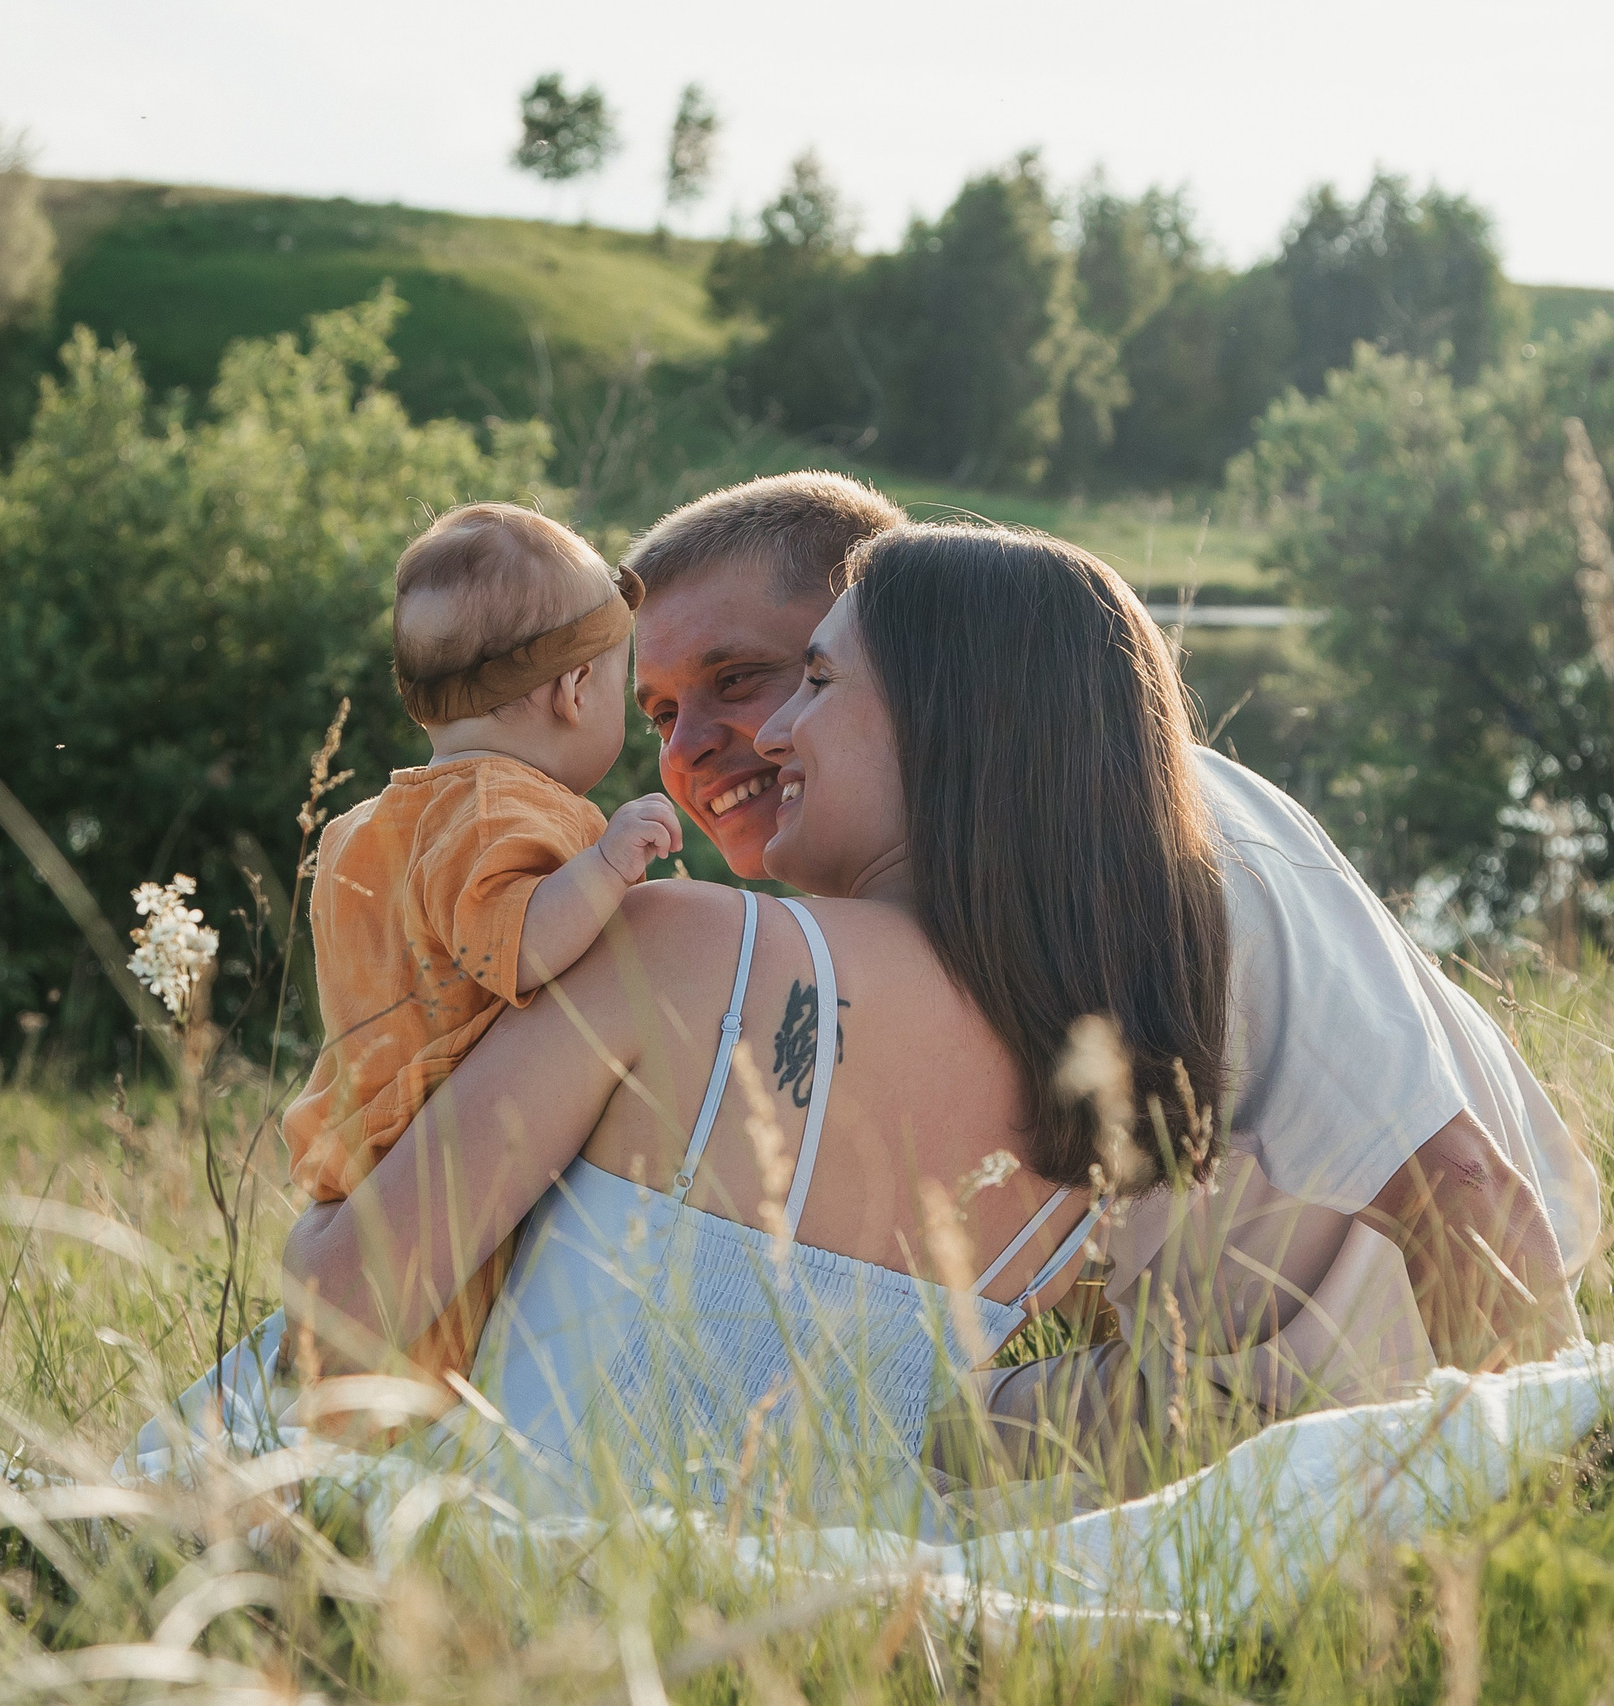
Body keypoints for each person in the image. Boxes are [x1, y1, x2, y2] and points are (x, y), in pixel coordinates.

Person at [623, 474, 1595, 1487]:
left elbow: (1466, 1189)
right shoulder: (934, 905)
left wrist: (1551, 1514)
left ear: (927, 653)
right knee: (835, 1434)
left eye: (748, 678)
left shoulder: (1183, 848)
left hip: (1394, 1377)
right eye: (657, 712)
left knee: (870, 1454)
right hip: (1197, 1376)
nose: (687, 749)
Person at [282, 524, 1237, 1511]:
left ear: (944, 716)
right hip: (793, 1615)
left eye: (816, 683)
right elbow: (1171, 1386)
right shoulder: (1102, 1080)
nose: (777, 731)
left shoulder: (689, 949)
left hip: (509, 1578)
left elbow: (341, 1305)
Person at [282, 502, 680, 1378]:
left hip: (372, 1142)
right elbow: (518, 945)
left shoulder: (365, 825)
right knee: (439, 1376)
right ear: (575, 692)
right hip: (449, 1159)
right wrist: (611, 862)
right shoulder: (500, 808)